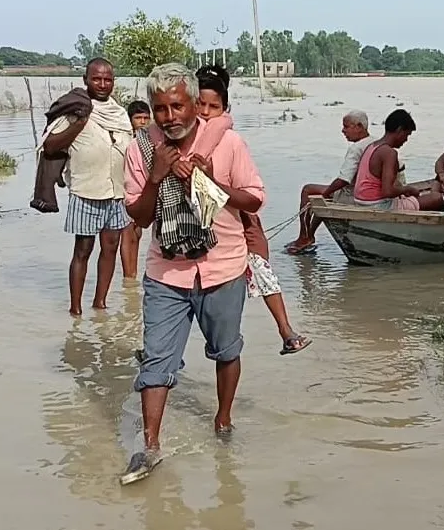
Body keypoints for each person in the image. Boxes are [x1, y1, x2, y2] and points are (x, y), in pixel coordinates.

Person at [121, 62, 265, 484]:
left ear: (194, 105)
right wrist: (157, 176)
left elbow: (254, 200)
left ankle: (223, 420)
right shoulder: (141, 149)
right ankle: (149, 447)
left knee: (226, 349)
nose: (170, 117)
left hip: (222, 268)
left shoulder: (228, 143)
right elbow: (140, 217)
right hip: (167, 272)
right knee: (156, 361)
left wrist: (209, 180)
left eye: (178, 106)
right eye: (161, 108)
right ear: (152, 109)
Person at [145, 64, 310, 355]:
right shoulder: (170, 140)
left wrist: (209, 180)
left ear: (225, 107)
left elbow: (252, 196)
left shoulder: (226, 136)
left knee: (261, 269)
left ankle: (285, 329)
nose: (207, 113)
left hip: (238, 223)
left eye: (214, 106)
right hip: (194, 247)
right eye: (203, 106)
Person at [42, 58, 132, 315]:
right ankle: (75, 310)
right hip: (87, 192)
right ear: (85, 80)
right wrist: (80, 123)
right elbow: (50, 145)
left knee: (111, 248)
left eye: (108, 79)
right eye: (97, 79)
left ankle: (100, 303)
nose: (102, 84)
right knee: (83, 249)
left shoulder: (120, 114)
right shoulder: (75, 110)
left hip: (116, 193)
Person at [285, 110, 372, 255]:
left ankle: (304, 236)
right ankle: (309, 235)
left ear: (359, 126)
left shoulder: (356, 148)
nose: (343, 131)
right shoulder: (373, 142)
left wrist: (326, 193)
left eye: (346, 127)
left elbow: (344, 179)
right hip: (364, 190)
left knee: (308, 190)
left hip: (353, 195)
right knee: (324, 194)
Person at [353, 109, 444, 211]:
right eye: (407, 135)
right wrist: (408, 189)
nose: (406, 140)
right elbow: (387, 192)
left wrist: (403, 191)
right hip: (378, 205)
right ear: (400, 130)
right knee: (437, 198)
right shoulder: (389, 153)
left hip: (361, 201)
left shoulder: (372, 146)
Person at [119, 100, 152, 281]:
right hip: (125, 191)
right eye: (138, 118)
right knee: (128, 232)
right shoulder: (126, 139)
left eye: (146, 118)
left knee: (136, 232)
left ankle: (132, 275)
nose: (142, 122)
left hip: (141, 190)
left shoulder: (148, 140)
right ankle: (129, 277)